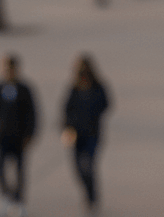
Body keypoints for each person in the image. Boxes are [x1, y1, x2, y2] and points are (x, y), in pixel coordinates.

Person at [0, 53, 38, 217]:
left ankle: (19, 201)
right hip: (2, 136)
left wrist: (30, 134)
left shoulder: (25, 89)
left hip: (19, 137)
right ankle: (5, 196)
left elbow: (32, 113)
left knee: (20, 172)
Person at [61, 54, 110, 214]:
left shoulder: (98, 87)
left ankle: (92, 198)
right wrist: (67, 129)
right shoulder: (74, 89)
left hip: (92, 135)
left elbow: (106, 104)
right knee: (78, 169)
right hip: (76, 137)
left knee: (88, 166)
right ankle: (88, 194)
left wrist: (91, 116)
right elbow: (66, 110)